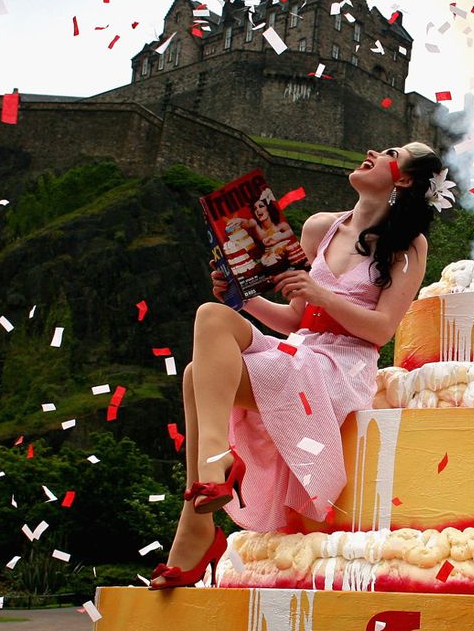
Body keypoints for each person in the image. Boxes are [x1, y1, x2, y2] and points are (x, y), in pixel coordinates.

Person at [150, 142, 450, 589]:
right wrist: (242, 296)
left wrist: (321, 293)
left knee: (197, 376)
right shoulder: (320, 229)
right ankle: (209, 489)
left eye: (391, 151)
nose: (369, 150)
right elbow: (294, 319)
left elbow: (381, 330)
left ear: (403, 179)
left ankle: (197, 524)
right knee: (211, 318)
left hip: (341, 367)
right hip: (299, 348)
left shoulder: (409, 245)